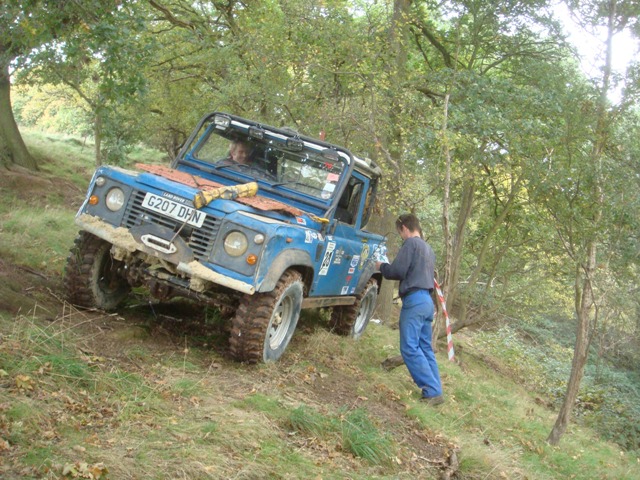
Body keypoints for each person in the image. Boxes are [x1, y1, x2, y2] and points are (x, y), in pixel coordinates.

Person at [375, 213, 443, 405]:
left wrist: (381, 266)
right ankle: (436, 389)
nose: (401, 236)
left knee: (409, 347)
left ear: (404, 228)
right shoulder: (428, 249)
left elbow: (397, 271)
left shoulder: (411, 244)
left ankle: (431, 391)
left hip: (414, 301)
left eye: (400, 232)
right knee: (425, 347)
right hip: (427, 302)